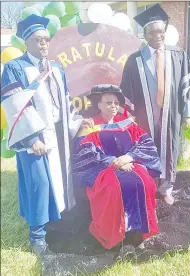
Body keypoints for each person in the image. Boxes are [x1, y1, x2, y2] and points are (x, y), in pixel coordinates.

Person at [1, 14, 93, 256]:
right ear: (26, 42)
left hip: (58, 134)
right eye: (38, 40)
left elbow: (65, 101)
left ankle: (57, 223)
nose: (44, 44)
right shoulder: (15, 68)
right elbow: (14, 105)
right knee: (38, 185)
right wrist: (33, 139)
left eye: (46, 39)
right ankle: (37, 238)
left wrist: (78, 122)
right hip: (35, 138)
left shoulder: (57, 68)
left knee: (60, 181)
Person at [120, 4, 190, 205]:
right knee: (146, 149)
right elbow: (126, 90)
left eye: (161, 31)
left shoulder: (179, 55)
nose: (158, 35)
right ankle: (149, 186)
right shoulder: (134, 60)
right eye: (153, 32)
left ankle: (166, 189)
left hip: (171, 115)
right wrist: (129, 116)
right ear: (145, 34)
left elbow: (187, 86)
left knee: (169, 149)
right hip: (145, 116)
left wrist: (188, 113)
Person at [72, 84, 162, 258]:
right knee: (114, 188)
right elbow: (85, 151)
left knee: (144, 182)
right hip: (104, 168)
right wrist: (113, 162)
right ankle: (114, 235)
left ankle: (138, 233)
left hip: (129, 163)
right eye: (108, 103)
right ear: (98, 105)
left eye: (115, 103)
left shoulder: (127, 122)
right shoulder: (91, 125)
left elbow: (145, 142)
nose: (113, 106)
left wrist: (130, 156)